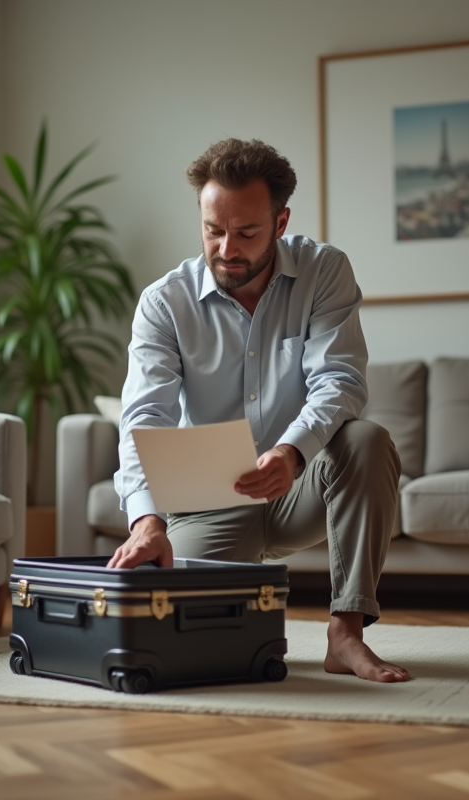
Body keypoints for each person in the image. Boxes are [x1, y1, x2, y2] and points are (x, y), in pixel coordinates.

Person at [108, 138, 409, 683]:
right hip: (206, 503)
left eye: (246, 232)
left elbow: (338, 381)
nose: (227, 248)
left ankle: (346, 633)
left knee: (368, 440)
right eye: (212, 230)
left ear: (280, 220)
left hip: (302, 485)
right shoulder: (163, 302)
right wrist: (148, 520)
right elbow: (143, 420)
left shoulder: (324, 271)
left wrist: (291, 454)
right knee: (188, 650)